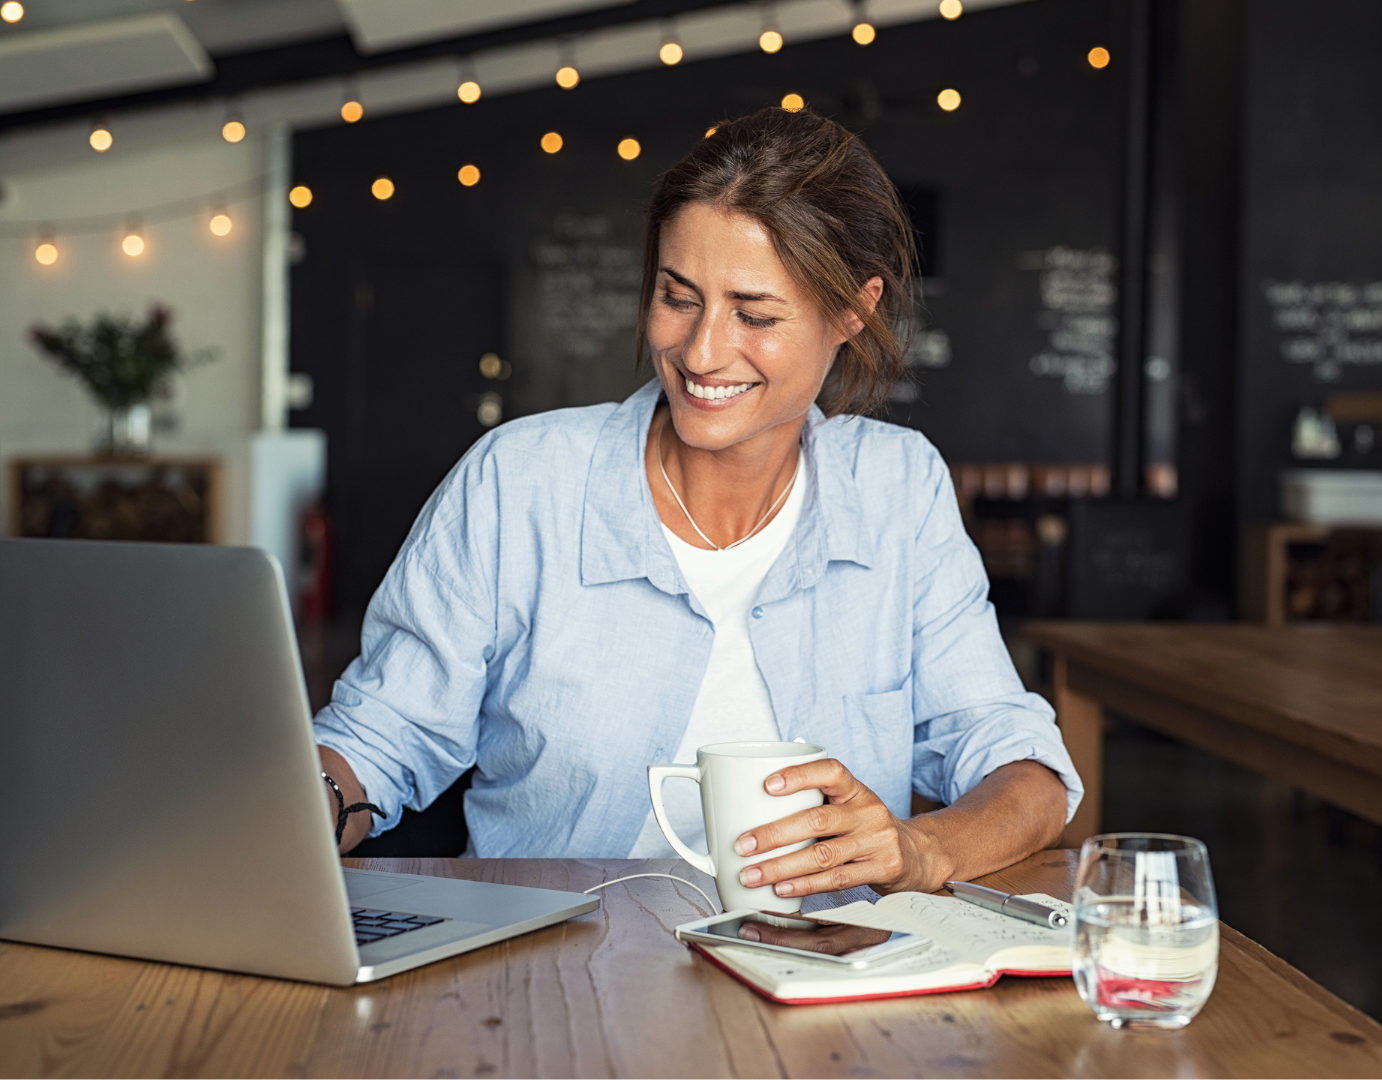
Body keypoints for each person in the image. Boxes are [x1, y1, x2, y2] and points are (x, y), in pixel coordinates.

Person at [313, 107, 1081, 902]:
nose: (703, 351)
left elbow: (1022, 770)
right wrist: (298, 808)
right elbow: (380, 735)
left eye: (755, 314)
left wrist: (921, 848)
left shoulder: (897, 489)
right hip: (554, 982)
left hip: (830, 992)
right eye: (679, 298)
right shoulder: (521, 481)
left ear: (853, 312)